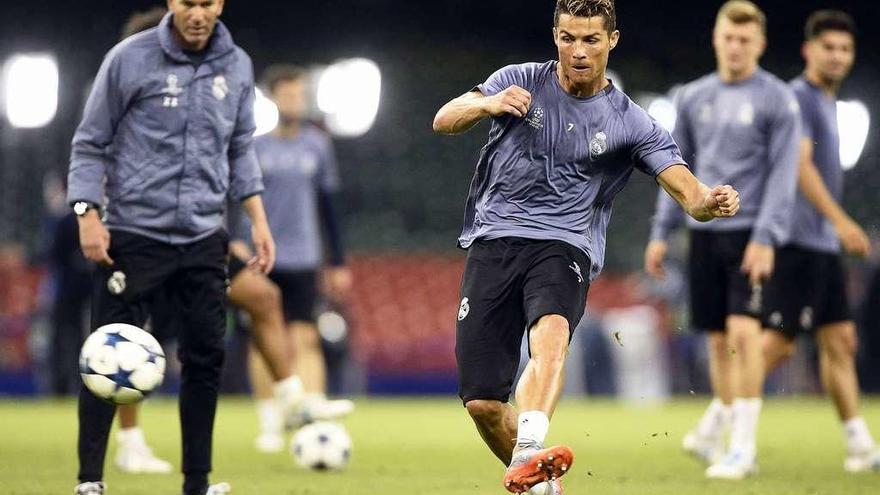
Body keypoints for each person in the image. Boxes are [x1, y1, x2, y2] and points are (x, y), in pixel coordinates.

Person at [434, 1, 740, 493]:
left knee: (550, 330)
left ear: (611, 41)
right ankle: (538, 483)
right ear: (555, 36)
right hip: (494, 240)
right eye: (568, 38)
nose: (578, 51)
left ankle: (531, 448)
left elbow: (690, 195)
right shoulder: (518, 79)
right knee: (483, 405)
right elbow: (444, 119)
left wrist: (712, 199)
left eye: (591, 40)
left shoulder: (631, 122)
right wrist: (484, 104)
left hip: (565, 242)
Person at [67, 1, 274, 494]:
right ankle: (90, 482)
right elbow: (89, 141)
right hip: (134, 235)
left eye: (207, 2)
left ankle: (196, 484)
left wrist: (258, 220)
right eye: (188, 2)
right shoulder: (127, 59)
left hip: (204, 237)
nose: (197, 13)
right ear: (170, 3)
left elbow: (241, 146)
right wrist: (86, 212)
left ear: (220, 4)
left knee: (206, 359)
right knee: (105, 355)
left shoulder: (238, 65)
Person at [645, 0, 801, 480]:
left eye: (744, 39)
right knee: (717, 343)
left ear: (759, 44)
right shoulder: (693, 96)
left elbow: (784, 174)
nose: (735, 46)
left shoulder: (778, 99)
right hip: (703, 236)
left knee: (745, 336)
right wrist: (660, 232)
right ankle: (726, 436)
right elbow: (674, 166)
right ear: (716, 38)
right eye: (728, 37)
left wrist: (767, 236)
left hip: (752, 234)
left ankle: (743, 448)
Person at [761, 10, 880, 473]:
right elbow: (800, 165)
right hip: (799, 239)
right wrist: (841, 221)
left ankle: (858, 444)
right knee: (780, 344)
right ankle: (721, 418)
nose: (837, 56)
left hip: (820, 244)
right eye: (828, 47)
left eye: (845, 49)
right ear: (809, 50)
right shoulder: (799, 98)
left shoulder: (828, 103)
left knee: (842, 339)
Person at [233, 64, 354, 452]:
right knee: (261, 340)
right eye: (287, 95)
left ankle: (310, 419)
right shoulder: (254, 146)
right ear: (272, 98)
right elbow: (234, 200)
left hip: (304, 256)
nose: (294, 102)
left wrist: (336, 261)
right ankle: (270, 421)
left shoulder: (317, 145)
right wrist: (236, 241)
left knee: (305, 336)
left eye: (299, 95)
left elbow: (329, 205)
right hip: (259, 256)